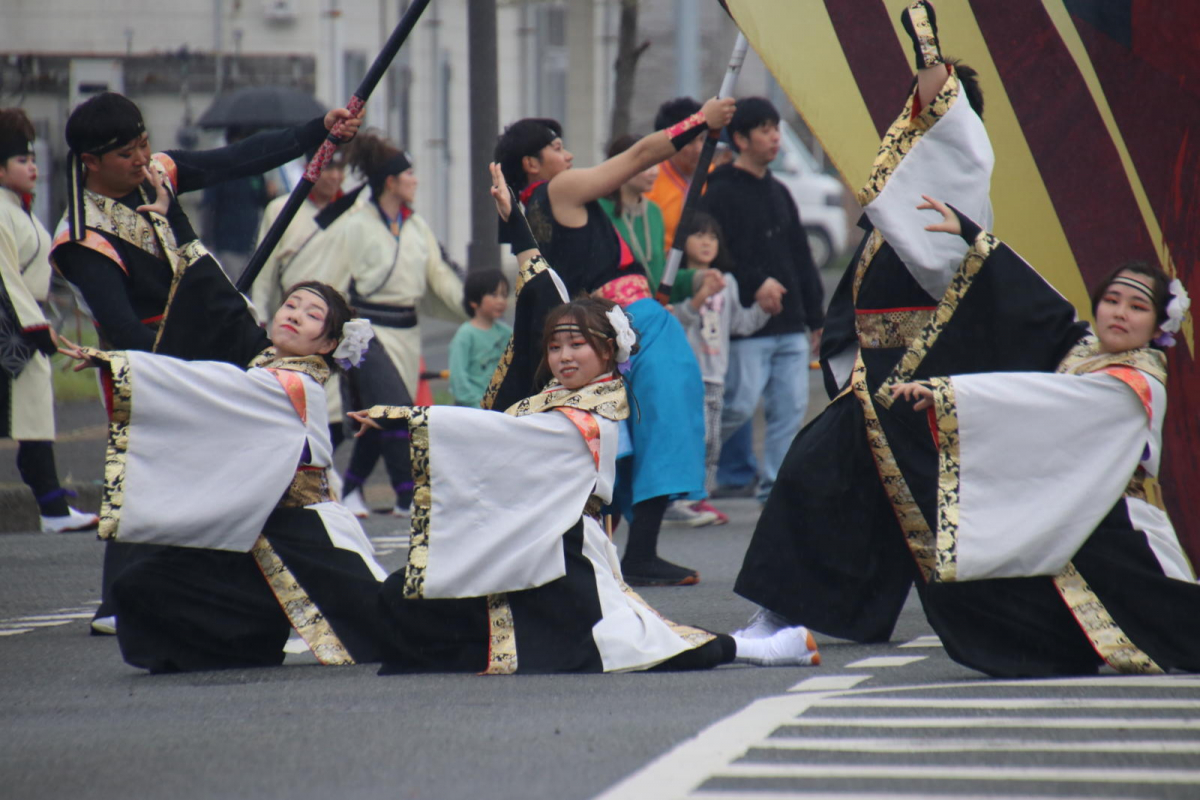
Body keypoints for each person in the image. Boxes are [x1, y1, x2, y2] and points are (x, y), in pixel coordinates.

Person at [732, 1, 1084, 647]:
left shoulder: (958, 186)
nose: (910, 117)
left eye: (928, 107)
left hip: (923, 381)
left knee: (943, 515)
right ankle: (790, 614)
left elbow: (936, 100)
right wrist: (837, 333)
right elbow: (863, 281)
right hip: (875, 380)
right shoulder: (906, 198)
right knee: (826, 484)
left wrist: (926, 44)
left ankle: (1045, 618)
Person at [356, 291, 820, 674]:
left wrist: (401, 419)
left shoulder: (589, 414)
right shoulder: (554, 400)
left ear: (606, 350)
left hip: (564, 554)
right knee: (408, 597)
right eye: (555, 347)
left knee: (631, 645)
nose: (563, 356)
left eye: (577, 345)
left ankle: (760, 649)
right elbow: (497, 435)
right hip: (521, 540)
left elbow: (496, 434)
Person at [48, 90, 361, 634]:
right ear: (90, 163)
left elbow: (234, 160)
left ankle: (285, 574)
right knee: (154, 466)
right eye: (127, 154)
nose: (142, 160)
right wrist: (168, 382)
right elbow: (120, 325)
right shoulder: (80, 236)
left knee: (261, 448)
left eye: (145, 145)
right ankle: (119, 600)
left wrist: (316, 131)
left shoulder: (157, 175)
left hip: (219, 332)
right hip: (148, 357)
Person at [880, 199, 1200, 677]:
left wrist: (950, 395)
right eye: (1112, 300)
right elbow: (1035, 305)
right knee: (977, 579)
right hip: (1064, 512)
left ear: (1158, 327)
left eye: (1137, 307)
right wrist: (974, 239)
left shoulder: (1136, 383)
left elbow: (1043, 400)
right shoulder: (1086, 351)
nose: (1119, 313)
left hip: (1115, 531)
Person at [58, 266, 392, 673]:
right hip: (247, 529)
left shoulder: (296, 384)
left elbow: (210, 384)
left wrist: (124, 366)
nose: (295, 314)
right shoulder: (264, 370)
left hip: (303, 537)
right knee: (140, 586)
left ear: (328, 343)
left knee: (394, 627)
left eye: (312, 314)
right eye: (291, 304)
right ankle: (249, 641)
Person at [492, 95, 735, 585]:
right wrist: (698, 123)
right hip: (632, 321)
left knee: (620, 433)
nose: (570, 157)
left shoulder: (522, 213)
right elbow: (639, 157)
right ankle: (640, 552)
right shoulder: (557, 188)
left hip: (602, 325)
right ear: (533, 163)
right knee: (663, 422)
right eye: (559, 148)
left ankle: (600, 550)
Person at [302, 131, 466, 518]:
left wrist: (472, 308)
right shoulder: (356, 223)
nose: (415, 180)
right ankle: (408, 495)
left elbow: (439, 275)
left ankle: (354, 488)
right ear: (390, 181)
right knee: (392, 409)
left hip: (407, 332)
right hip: (368, 332)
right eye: (408, 174)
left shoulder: (415, 225)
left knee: (383, 415)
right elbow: (336, 277)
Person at [697, 96, 826, 505]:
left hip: (788, 324)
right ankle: (684, 473)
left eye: (777, 129)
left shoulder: (780, 191)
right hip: (745, 326)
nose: (775, 138)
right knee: (735, 406)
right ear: (740, 138)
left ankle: (776, 490)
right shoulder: (718, 191)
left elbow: (800, 258)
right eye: (766, 130)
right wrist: (755, 285)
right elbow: (715, 255)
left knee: (789, 409)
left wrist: (816, 317)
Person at [0, 108, 98, 532]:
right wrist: (33, 325)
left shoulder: (17, 210)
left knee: (33, 416)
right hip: (12, 325)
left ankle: (53, 508)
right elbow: (3, 274)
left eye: (32, 158)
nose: (33, 167)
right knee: (28, 414)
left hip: (23, 321)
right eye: (22, 161)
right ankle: (52, 508)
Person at [672, 211, 771, 524]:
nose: (706, 242)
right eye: (699, 235)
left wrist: (764, 310)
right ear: (683, 240)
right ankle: (682, 498)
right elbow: (676, 321)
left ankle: (700, 497)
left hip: (715, 373)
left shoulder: (727, 281)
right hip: (685, 373)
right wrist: (701, 295)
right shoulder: (675, 279)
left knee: (712, 440)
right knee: (690, 437)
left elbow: (739, 324)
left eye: (712, 237)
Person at [598, 133, 696, 304]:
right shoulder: (599, 209)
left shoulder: (654, 211)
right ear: (621, 164)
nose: (654, 172)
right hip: (614, 312)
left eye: (656, 164)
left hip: (651, 312)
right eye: (646, 166)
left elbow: (659, 274)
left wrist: (696, 279)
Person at [645, 97, 705, 253]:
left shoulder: (714, 176)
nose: (698, 148)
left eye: (702, 139)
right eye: (690, 142)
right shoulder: (650, 181)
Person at [448, 268, 511, 408]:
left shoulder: (507, 333)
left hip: (501, 407)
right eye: (494, 295)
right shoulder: (465, 335)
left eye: (504, 295)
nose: (501, 301)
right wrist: (476, 404)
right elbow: (458, 377)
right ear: (474, 301)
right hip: (471, 409)